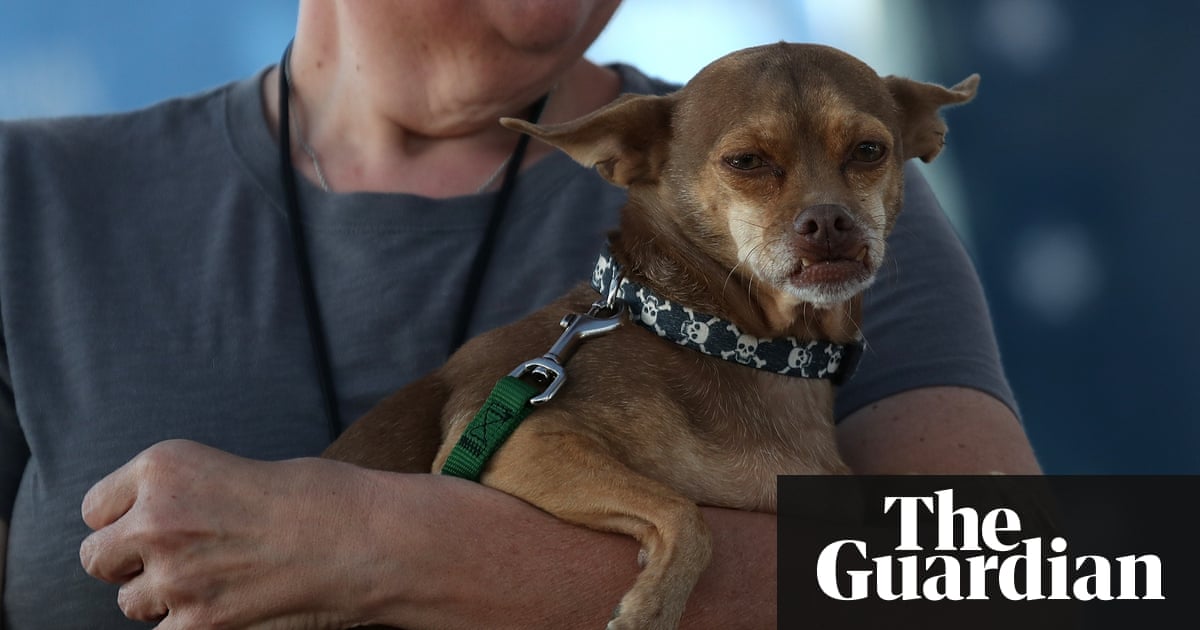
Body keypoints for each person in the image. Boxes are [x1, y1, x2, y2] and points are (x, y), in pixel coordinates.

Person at [0, 1, 1042, 628]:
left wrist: (384, 546)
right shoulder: (30, 199)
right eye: (751, 165)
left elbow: (1018, 581)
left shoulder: (841, 193)